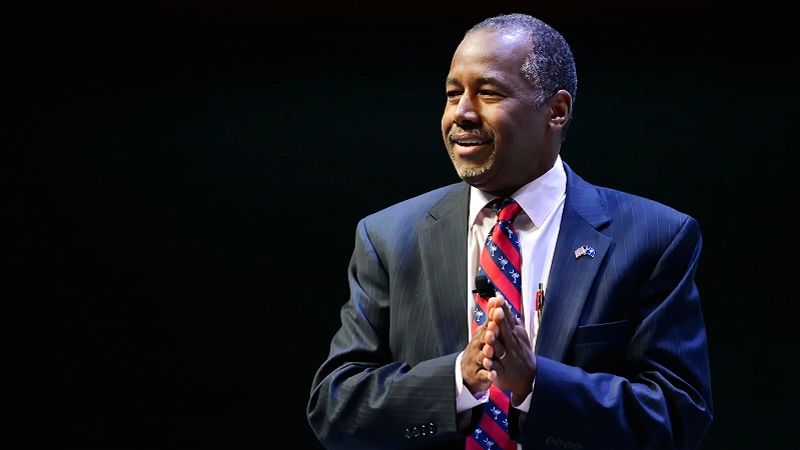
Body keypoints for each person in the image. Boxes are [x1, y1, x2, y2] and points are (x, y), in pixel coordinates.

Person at [307, 13, 712, 450]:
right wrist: (458, 380)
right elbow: (335, 408)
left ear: (556, 111)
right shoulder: (389, 237)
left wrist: (535, 385)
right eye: (452, 94)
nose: (462, 113)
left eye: (488, 93)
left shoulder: (652, 238)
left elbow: (678, 416)